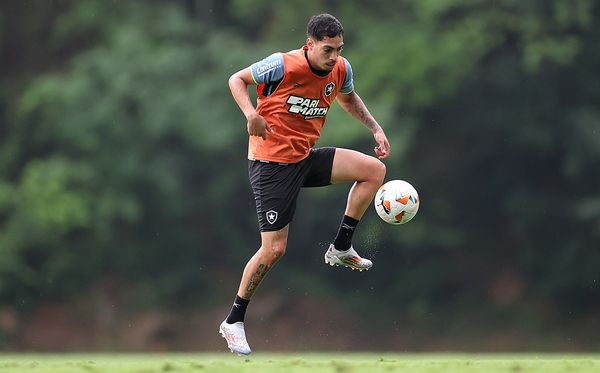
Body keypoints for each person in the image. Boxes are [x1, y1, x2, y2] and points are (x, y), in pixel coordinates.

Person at [219, 13, 390, 355]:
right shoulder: (281, 65)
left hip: (304, 157)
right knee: (274, 250)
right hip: (271, 165)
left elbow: (347, 98)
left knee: (373, 171)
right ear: (310, 44)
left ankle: (341, 247)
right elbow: (236, 79)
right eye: (328, 50)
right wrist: (251, 114)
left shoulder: (341, 68)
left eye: (339, 49)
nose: (334, 57)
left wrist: (375, 128)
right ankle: (233, 321)